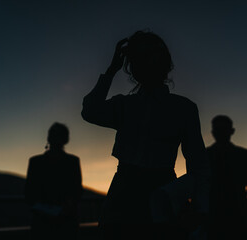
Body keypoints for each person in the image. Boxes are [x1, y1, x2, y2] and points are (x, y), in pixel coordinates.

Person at [81, 30, 210, 240]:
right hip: (132, 195)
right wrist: (111, 70)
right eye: (139, 59)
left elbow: (198, 163)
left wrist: (200, 208)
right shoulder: (128, 106)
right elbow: (90, 111)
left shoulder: (181, 108)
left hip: (153, 194)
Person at [207, 115, 247, 240]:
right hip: (232, 214)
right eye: (219, 130)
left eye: (223, 129)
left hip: (221, 214)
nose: (221, 133)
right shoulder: (243, 155)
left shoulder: (206, 155)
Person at [25, 122, 82, 240]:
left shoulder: (35, 162)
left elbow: (29, 192)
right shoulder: (72, 161)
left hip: (44, 223)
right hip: (63, 223)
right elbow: (77, 191)